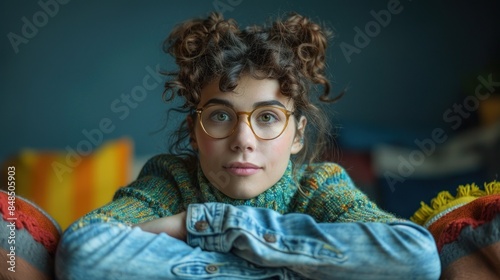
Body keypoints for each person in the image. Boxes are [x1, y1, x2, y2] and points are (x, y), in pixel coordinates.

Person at [55, 12, 441, 279]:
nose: (243, 141)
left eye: (268, 117)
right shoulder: (170, 180)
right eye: (221, 116)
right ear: (194, 131)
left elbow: (416, 257)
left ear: (298, 135)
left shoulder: (318, 185)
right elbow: (82, 253)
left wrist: (204, 227)